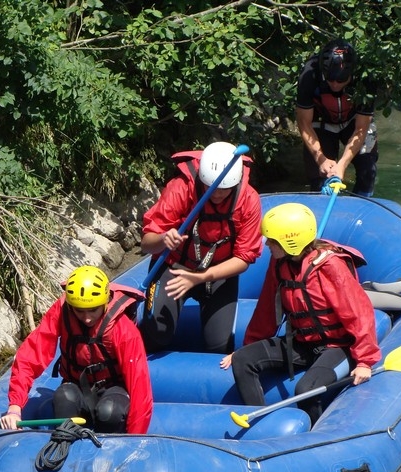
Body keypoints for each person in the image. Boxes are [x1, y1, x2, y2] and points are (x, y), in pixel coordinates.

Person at [222, 203, 380, 423]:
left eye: (272, 240)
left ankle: (311, 440)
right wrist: (249, 347)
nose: (267, 244)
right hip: (301, 343)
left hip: (338, 347)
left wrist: (364, 361)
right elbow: (266, 310)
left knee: (306, 390)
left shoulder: (330, 266)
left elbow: (359, 313)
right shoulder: (279, 264)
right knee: (242, 360)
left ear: (290, 242)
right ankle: (263, 427)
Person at [139, 141, 263, 354]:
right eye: (209, 188)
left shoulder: (249, 199)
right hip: (175, 266)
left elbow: (244, 258)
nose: (215, 194)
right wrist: (162, 239)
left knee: (219, 345)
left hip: (218, 273)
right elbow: (146, 243)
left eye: (223, 190)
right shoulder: (181, 188)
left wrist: (199, 277)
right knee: (156, 334)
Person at [0, 265, 153, 434]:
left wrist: (135, 439)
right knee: (64, 397)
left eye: (93, 310)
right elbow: (30, 356)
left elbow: (139, 387)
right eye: (80, 311)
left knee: (109, 412)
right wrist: (14, 408)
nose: (87, 318)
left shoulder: (123, 330)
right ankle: (65, 443)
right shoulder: (62, 311)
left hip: (114, 390)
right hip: (77, 387)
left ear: (105, 302)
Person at [296, 39, 378, 196]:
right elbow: (304, 123)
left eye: (341, 80)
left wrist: (342, 164)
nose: (335, 84)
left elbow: (361, 128)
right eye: (330, 79)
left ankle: (360, 207)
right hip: (321, 123)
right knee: (320, 177)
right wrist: (321, 159)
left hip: (353, 122)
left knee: (368, 171)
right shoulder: (309, 75)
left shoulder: (366, 79)